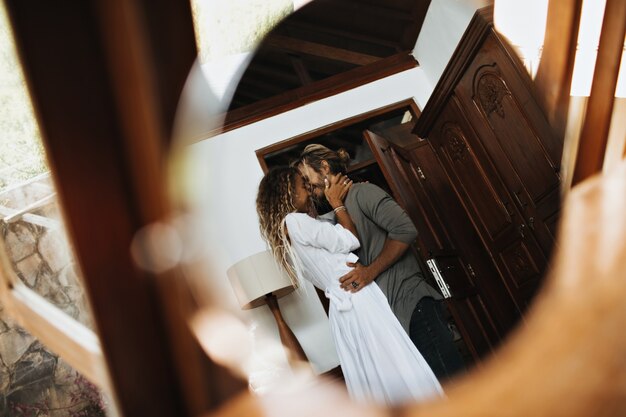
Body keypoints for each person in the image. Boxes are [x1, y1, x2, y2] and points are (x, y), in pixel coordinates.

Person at [256, 166, 443, 406]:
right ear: (288, 193)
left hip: (343, 307)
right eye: (303, 186)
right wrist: (338, 205)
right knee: (395, 360)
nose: (310, 191)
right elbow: (351, 239)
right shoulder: (295, 221)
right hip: (357, 297)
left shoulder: (287, 232)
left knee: (376, 372)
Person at [296, 144, 465, 380]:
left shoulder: (364, 193)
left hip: (412, 304)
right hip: (390, 315)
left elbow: (405, 230)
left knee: (452, 383)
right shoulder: (336, 216)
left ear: (324, 167)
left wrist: (369, 272)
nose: (308, 188)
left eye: (307, 179)